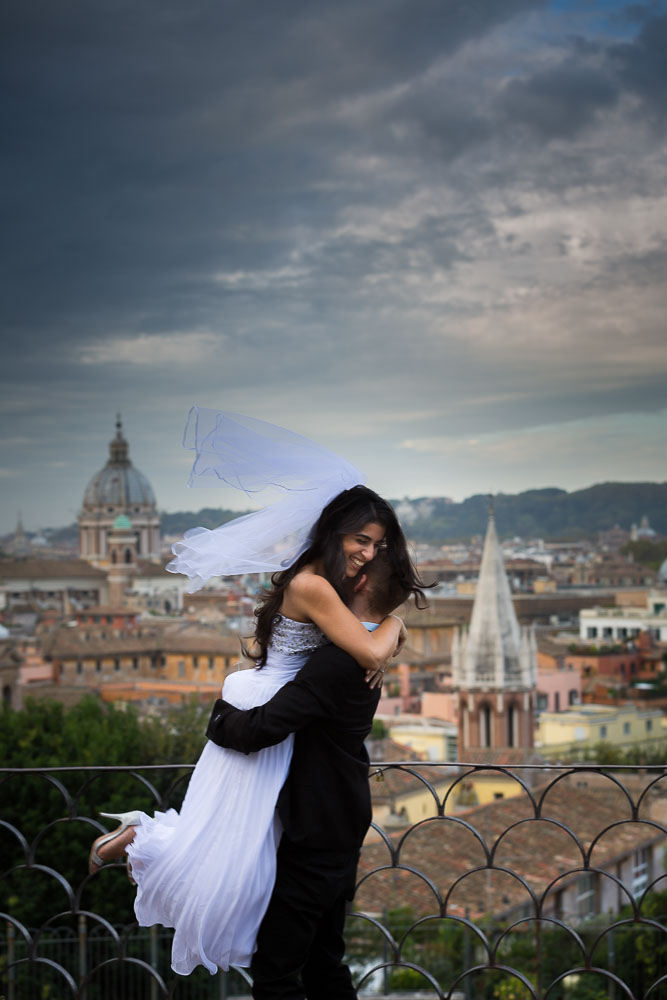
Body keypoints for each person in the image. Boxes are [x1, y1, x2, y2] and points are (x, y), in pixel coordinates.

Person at [88, 483, 428, 976]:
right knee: (234, 842)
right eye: (361, 540)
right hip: (266, 702)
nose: (368, 553)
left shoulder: (326, 586)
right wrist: (394, 627)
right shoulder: (314, 585)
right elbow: (371, 651)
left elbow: (362, 638)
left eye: (376, 546)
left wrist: (391, 623)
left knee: (239, 839)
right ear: (333, 532)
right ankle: (144, 834)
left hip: (280, 704)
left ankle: (144, 832)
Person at [206, 553, 412, 999]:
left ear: (357, 587)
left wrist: (218, 719)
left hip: (317, 828)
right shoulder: (371, 647)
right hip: (341, 816)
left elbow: (264, 727)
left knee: (278, 971)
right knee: (324, 964)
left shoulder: (337, 661)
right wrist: (395, 625)